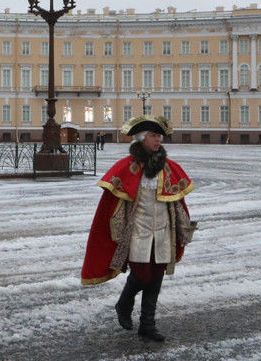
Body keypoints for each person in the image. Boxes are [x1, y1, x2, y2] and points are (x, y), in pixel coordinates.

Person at [81, 115, 196, 342]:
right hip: (138, 231)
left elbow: (177, 202)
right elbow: (112, 205)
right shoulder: (127, 167)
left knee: (156, 278)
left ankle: (148, 324)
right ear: (141, 138)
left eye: (159, 136)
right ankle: (124, 303)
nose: (158, 140)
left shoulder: (169, 168)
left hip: (163, 232)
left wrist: (182, 226)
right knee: (142, 275)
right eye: (153, 136)